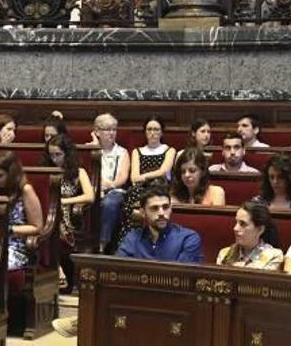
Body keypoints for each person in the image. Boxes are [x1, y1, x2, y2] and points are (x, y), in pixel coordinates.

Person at [53, 182, 201, 338]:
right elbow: (116, 269)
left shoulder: (188, 238)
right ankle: (86, 319)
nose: (162, 213)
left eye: (166, 207)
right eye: (154, 208)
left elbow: (184, 277)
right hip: (137, 298)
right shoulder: (133, 237)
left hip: (178, 301)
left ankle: (83, 320)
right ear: (142, 212)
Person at [118, 115, 177, 245]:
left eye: (156, 129)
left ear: (161, 132)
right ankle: (129, 240)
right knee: (132, 194)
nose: (152, 133)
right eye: (149, 129)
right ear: (145, 132)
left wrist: (144, 177)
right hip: (140, 189)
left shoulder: (169, 150)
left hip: (160, 187)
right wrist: (146, 177)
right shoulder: (137, 151)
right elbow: (134, 177)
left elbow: (163, 171)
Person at [45, 134, 93, 291]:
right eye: (51, 155)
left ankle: (60, 271)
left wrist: (64, 201)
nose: (54, 159)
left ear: (67, 153)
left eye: (58, 154)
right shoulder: (45, 171)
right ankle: (58, 270)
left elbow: (90, 196)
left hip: (66, 211)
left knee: (55, 222)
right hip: (47, 210)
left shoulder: (78, 172)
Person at [0, 152, 43, 271]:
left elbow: (37, 227)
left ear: (11, 174)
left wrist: (10, 229)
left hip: (16, 247)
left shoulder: (25, 190)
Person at [90, 113, 130, 252]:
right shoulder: (89, 150)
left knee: (109, 202)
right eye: (107, 129)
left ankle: (102, 244)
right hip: (93, 190)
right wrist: (95, 148)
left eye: (114, 129)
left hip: (114, 191)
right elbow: (89, 174)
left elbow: (122, 178)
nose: (112, 133)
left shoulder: (122, 152)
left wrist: (108, 185)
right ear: (97, 131)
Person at [216, 201, 283, 270]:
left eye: (243, 224)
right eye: (236, 222)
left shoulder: (273, 256)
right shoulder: (224, 254)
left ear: (260, 229)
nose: (235, 228)